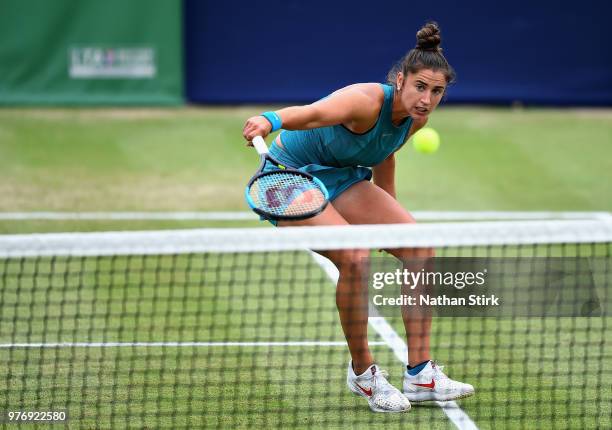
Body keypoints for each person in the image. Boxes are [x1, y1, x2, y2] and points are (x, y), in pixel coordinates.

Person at [242, 22, 474, 413]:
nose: (426, 99)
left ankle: (420, 374)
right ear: (401, 80)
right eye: (420, 87)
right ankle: (364, 375)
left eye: (436, 91)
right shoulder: (365, 101)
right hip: (288, 177)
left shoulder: (417, 120)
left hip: (339, 177)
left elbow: (385, 151)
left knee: (419, 245)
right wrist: (270, 119)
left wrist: (389, 217)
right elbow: (313, 114)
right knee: (356, 257)